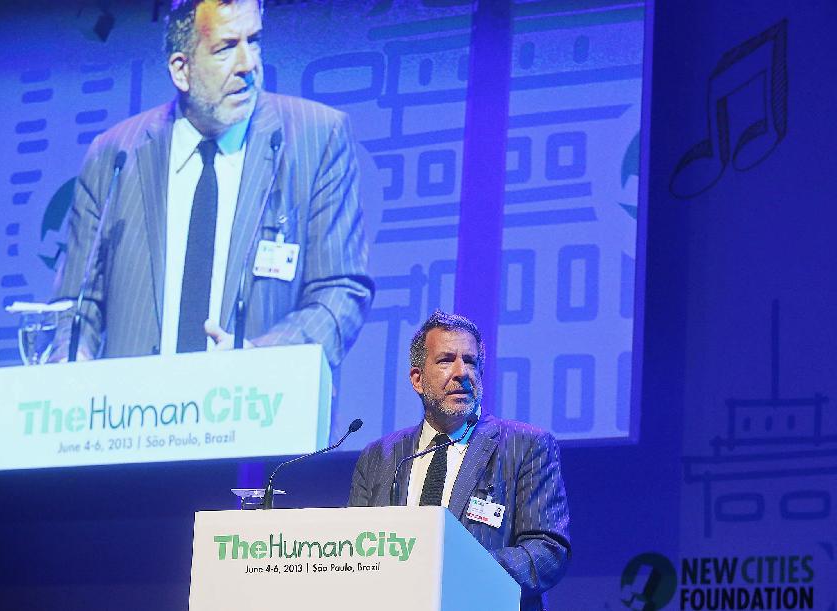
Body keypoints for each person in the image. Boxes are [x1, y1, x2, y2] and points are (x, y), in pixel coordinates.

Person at [51, 0, 372, 365]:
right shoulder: (115, 156)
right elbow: (75, 305)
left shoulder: (315, 138)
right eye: (225, 48)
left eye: (254, 41)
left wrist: (262, 357)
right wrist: (71, 363)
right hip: (134, 414)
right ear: (181, 70)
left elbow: (341, 290)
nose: (247, 64)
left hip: (258, 406)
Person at [348, 311, 571, 611]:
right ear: (417, 379)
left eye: (470, 361)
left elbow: (548, 551)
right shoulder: (380, 457)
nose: (461, 372)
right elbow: (354, 550)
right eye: (445, 360)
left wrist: (459, 571)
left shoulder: (525, 446)